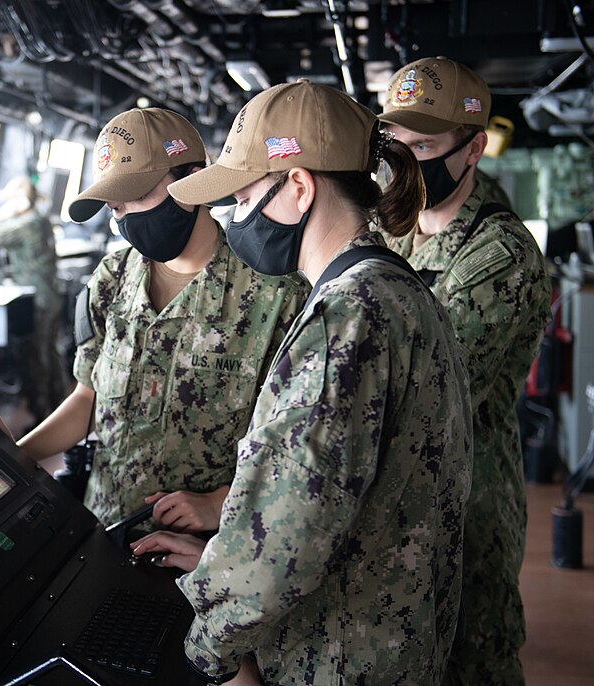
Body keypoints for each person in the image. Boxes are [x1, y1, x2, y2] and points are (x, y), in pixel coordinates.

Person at [130, 81, 473, 684]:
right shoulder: (399, 288)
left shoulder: (346, 317)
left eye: (240, 199)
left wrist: (208, 642)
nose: (234, 221)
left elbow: (287, 541)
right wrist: (223, 556)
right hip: (393, 642)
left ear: (298, 187)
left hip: (336, 658)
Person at [0, 107, 309, 530]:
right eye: (117, 208)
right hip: (107, 525)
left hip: (211, 544)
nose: (128, 220)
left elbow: (296, 445)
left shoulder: (275, 293)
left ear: (192, 180)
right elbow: (89, 398)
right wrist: (13, 456)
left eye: (138, 198)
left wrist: (222, 500)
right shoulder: (112, 279)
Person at [377, 56, 552, 686]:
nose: (404, 159)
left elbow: (415, 396)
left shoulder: (498, 257)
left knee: (473, 663)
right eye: (394, 142)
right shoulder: (394, 233)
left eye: (422, 144)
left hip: (462, 512)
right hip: (389, 507)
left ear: (473, 147)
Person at [0, 174, 68, 424]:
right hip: (51, 295)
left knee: (35, 357)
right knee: (51, 352)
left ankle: (42, 417)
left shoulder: (24, 224)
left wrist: (3, 215)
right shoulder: (41, 219)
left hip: (36, 300)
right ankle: (58, 407)